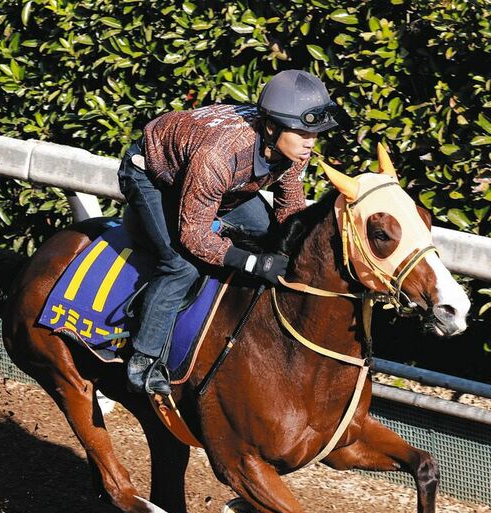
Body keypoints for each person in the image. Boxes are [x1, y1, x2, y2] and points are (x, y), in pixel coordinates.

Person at [117, 69, 345, 395]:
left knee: (267, 234)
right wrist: (253, 264)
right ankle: (143, 359)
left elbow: (290, 206)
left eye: (315, 134)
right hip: (152, 175)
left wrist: (293, 249)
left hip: (217, 183)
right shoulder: (218, 156)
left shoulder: (294, 150)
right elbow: (194, 235)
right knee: (181, 264)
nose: (311, 142)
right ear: (271, 127)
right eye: (302, 133)